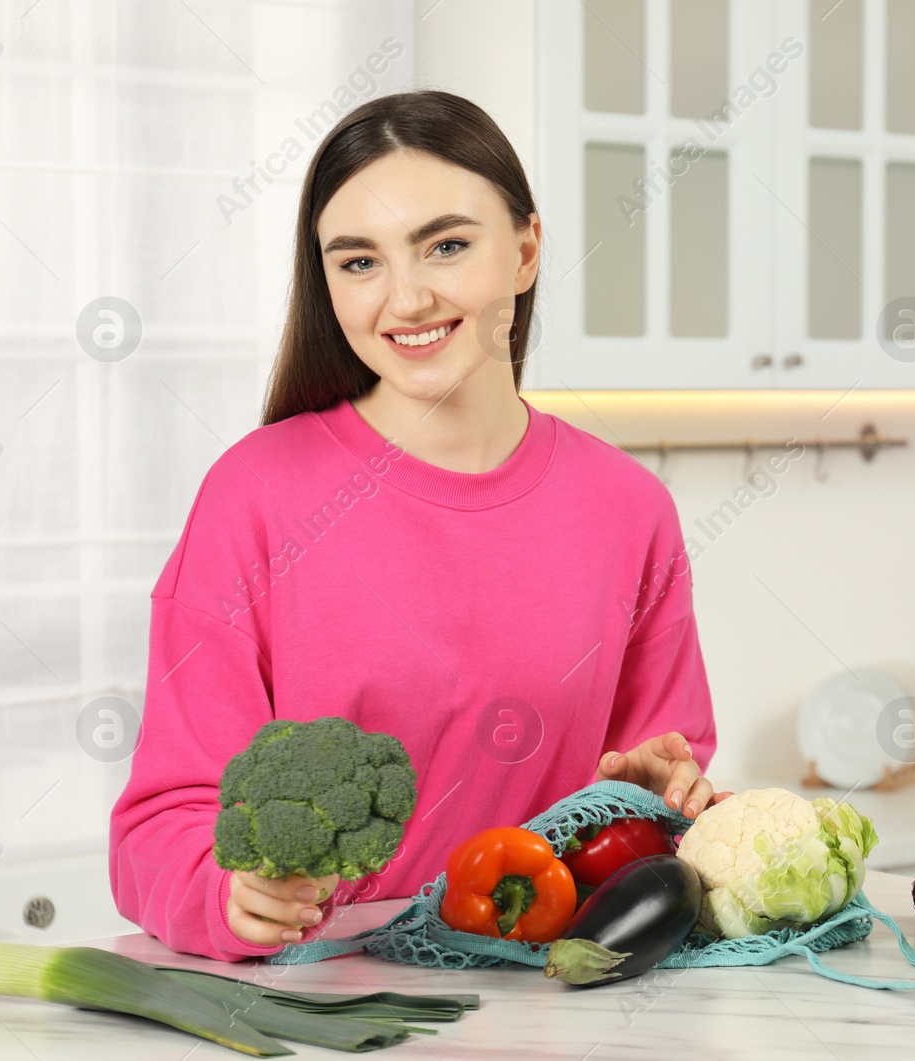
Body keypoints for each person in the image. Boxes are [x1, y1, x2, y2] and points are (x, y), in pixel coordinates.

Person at [109, 91, 723, 962]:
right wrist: (228, 896)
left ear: (525, 250)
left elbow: (664, 797)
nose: (406, 296)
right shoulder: (254, 497)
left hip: (548, 990)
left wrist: (667, 806)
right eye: (358, 262)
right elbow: (155, 828)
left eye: (446, 245)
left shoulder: (629, 507)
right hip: (321, 1002)